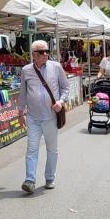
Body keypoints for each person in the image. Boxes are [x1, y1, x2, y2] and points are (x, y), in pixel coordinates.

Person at [18, 40, 70, 194]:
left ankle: (50, 177)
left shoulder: (56, 67)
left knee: (52, 149)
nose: (45, 54)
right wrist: (20, 113)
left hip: (50, 117)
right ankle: (30, 180)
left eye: (47, 51)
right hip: (33, 117)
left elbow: (65, 88)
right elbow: (23, 94)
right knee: (32, 149)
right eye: (41, 52)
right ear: (34, 54)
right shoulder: (26, 70)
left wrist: (60, 102)